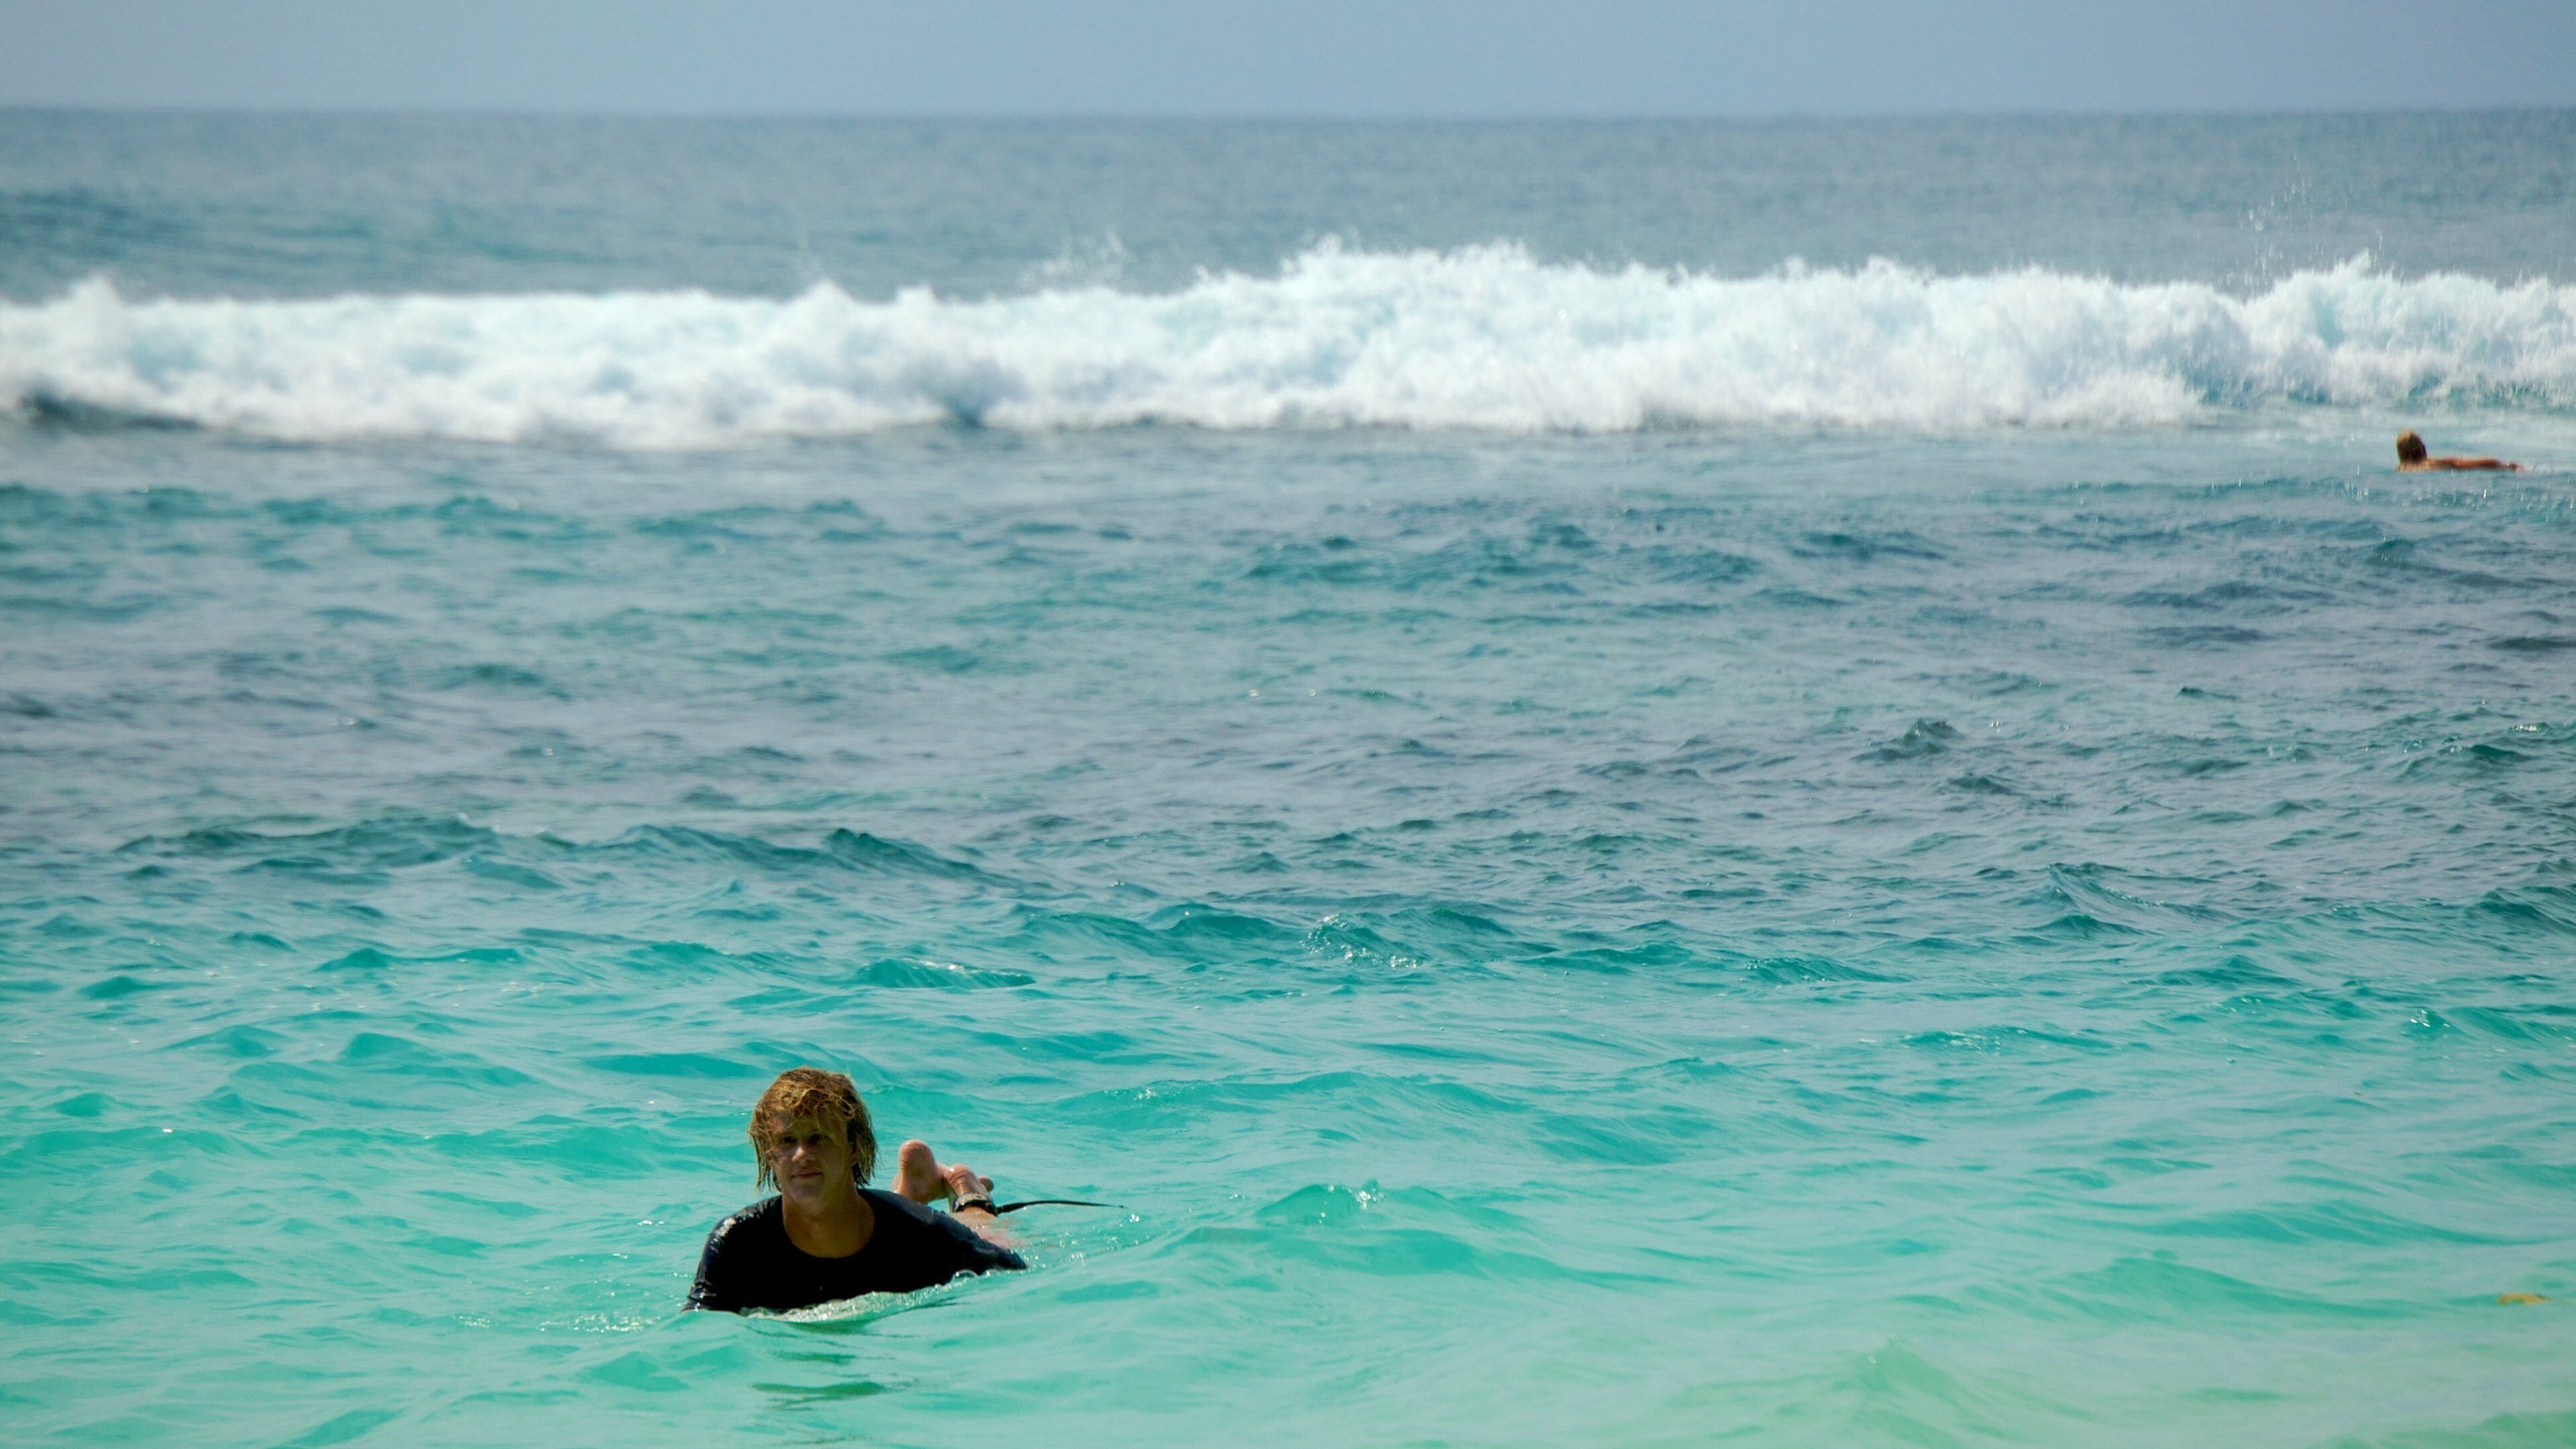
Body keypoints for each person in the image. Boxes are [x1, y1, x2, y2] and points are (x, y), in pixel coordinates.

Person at [686, 1066, 1025, 1313]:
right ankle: (914, 1186)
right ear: (770, 1155)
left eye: (818, 1138)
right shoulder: (739, 1244)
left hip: (906, 1224)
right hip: (892, 1217)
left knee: (986, 1230)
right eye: (787, 1141)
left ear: (853, 1148)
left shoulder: (924, 1233)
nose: (801, 1155)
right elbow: (695, 1336)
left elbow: (1015, 1274)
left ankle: (965, 1186)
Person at [2397, 431, 2521, 472]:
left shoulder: (2400, 470)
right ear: (2422, 449)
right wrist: (2508, 466)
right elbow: (2480, 464)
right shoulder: (2436, 463)